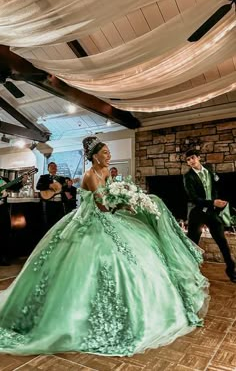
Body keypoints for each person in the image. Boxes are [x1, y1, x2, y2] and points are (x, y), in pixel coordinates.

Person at [0, 136, 209, 356]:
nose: (109, 156)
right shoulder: (90, 176)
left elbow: (110, 195)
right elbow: (102, 206)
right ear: (94, 156)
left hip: (110, 214)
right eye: (105, 152)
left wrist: (129, 200)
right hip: (93, 219)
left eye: (109, 152)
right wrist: (123, 202)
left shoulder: (107, 171)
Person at [183, 148, 236, 282]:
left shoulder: (209, 169)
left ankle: (231, 271)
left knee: (223, 243)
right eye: (188, 160)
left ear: (199, 157)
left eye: (192, 158)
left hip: (212, 213)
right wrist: (213, 202)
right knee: (192, 245)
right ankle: (190, 272)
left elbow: (216, 187)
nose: (190, 161)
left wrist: (219, 202)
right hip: (197, 215)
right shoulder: (188, 177)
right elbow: (194, 198)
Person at [0, 173, 28, 265]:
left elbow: (14, 187)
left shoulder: (4, 179)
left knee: (4, 231)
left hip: (2, 209)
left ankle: (3, 257)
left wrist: (23, 181)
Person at [36, 162, 66, 233]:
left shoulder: (61, 178)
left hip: (59, 203)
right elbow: (38, 186)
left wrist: (66, 185)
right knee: (49, 223)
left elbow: (65, 188)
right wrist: (49, 186)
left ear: (56, 169)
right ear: (48, 169)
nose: (53, 168)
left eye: (55, 167)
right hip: (49, 203)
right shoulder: (43, 177)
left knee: (60, 222)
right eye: (51, 166)